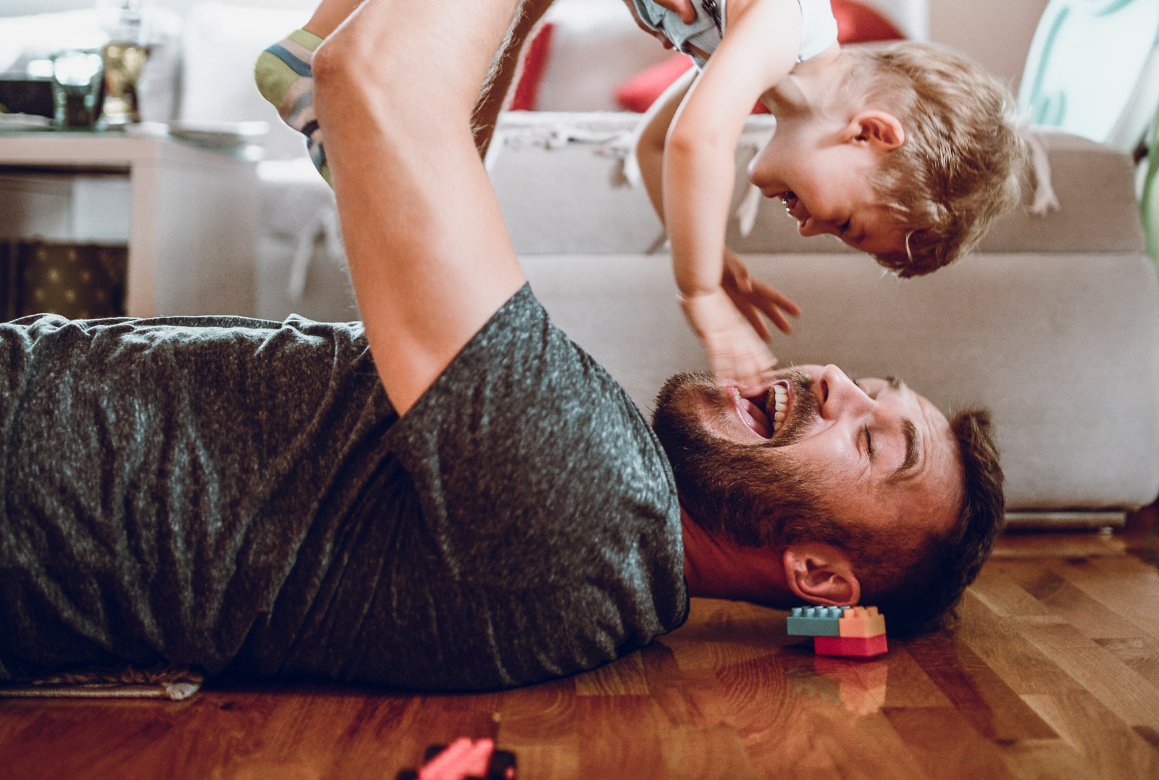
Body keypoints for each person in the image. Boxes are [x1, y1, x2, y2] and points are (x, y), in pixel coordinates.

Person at [0, 0, 1004, 693]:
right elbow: (410, 154)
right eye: (872, 387)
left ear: (818, 578)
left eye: (875, 442)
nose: (835, 382)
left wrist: (702, 286)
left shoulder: (589, 504)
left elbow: (376, 87)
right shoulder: (599, 534)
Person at [254, 0, 1028, 384]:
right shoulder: (788, 26)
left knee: (460, 143)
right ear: (872, 134)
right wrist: (702, 297)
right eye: (852, 225)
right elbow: (698, 140)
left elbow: (655, 141)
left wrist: (712, 249)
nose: (811, 231)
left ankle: (312, 50)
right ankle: (345, 75)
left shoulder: (757, 70)